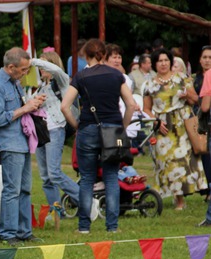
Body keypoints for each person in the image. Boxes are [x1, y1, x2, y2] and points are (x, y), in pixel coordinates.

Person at [61, 39, 137, 234]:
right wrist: (123, 126)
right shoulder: (116, 75)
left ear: (86, 55)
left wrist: (76, 124)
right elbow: (130, 104)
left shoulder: (81, 76)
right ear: (104, 54)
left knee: (87, 178)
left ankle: (84, 227)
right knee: (111, 177)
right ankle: (112, 227)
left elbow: (64, 106)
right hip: (112, 129)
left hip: (88, 128)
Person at [0, 47, 46, 246]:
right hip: (9, 143)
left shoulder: (15, 83)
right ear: (11, 67)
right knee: (12, 190)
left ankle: (24, 231)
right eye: (24, 69)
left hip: (23, 141)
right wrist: (25, 108)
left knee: (25, 188)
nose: (26, 73)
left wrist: (33, 103)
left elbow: (19, 110)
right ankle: (8, 234)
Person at [142, 48, 206, 210]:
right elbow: (146, 108)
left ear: (170, 62)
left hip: (182, 124)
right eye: (160, 61)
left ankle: (181, 199)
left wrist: (186, 96)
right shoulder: (149, 84)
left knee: (183, 161)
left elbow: (195, 100)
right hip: (162, 125)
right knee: (166, 162)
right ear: (154, 64)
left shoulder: (181, 78)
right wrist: (156, 120)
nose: (163, 64)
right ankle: (170, 195)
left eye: (166, 60)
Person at [31, 51, 80, 207]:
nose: (41, 68)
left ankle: (86, 201)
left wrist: (33, 61)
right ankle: (56, 211)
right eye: (40, 65)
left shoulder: (62, 80)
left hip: (56, 129)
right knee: (46, 177)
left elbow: (57, 70)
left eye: (44, 64)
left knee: (54, 173)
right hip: (41, 134)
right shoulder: (39, 88)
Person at [194, 45, 211, 199]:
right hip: (201, 123)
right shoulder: (195, 79)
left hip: (207, 121)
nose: (207, 60)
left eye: (210, 57)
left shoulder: (208, 76)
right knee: (205, 157)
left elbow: (205, 106)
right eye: (204, 57)